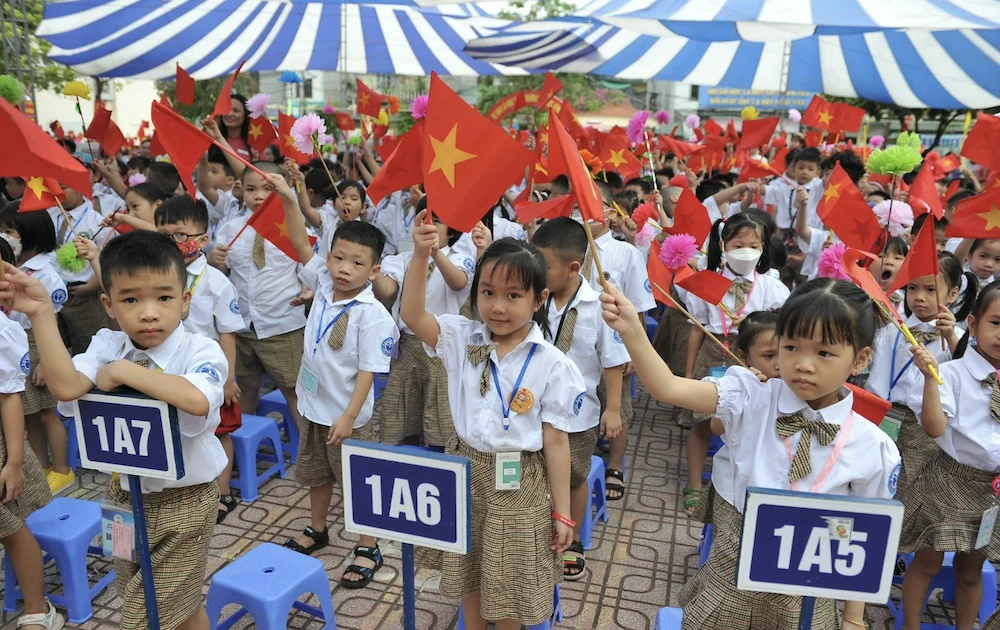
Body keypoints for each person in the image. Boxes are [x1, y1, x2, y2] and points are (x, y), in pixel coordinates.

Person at [599, 277, 901, 629]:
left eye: (824, 353)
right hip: (733, 575)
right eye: (791, 347)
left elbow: (866, 541)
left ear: (860, 359)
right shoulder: (751, 395)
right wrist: (633, 330)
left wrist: (853, 619)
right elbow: (668, 388)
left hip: (809, 594)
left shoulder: (873, 446)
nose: (804, 364)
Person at [0, 230, 229, 630]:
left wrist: (124, 372)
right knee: (164, 596)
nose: (148, 312)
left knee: (145, 611)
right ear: (109, 304)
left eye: (163, 297)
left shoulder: (199, 349)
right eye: (130, 299)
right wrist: (39, 313)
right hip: (121, 498)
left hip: (186, 504)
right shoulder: (108, 343)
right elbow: (66, 386)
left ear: (185, 299)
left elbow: (197, 399)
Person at [401, 232, 584, 629]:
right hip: (464, 468)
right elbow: (413, 315)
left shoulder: (552, 364)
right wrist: (420, 254)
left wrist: (563, 514)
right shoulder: (461, 337)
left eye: (514, 296)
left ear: (539, 300)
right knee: (469, 567)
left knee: (509, 581)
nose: (498, 307)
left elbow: (555, 441)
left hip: (518, 481)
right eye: (488, 292)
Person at [272, 172, 398, 587]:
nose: (345, 269)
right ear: (328, 257)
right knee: (316, 474)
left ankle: (368, 545)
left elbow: (369, 372)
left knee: (359, 483)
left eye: (358, 263)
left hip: (350, 418)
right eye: (339, 258)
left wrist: (348, 416)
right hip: (313, 407)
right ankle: (318, 528)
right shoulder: (323, 285)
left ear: (374, 269)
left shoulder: (372, 314)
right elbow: (295, 240)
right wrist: (290, 198)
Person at [532, 217, 629, 581]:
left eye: (546, 267)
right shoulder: (533, 297)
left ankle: (571, 537)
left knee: (574, 475)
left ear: (574, 268)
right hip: (532, 410)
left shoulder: (599, 304)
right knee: (536, 475)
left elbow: (613, 362)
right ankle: (541, 528)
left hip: (578, 414)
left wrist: (614, 409)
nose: (537, 272)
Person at [904, 282, 1000, 630]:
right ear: (972, 324)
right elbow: (933, 427)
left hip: (990, 491)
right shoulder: (951, 373)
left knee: (971, 570)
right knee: (928, 561)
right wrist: (931, 379)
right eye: (996, 323)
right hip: (949, 479)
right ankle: (910, 625)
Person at [681, 212, 789, 516]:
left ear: (764, 248)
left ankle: (740, 482)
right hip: (714, 354)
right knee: (702, 424)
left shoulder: (771, 286)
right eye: (738, 244)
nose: (746, 251)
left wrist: (756, 323)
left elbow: (783, 325)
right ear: (723, 244)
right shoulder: (707, 282)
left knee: (751, 422)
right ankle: (693, 484)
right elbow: (697, 328)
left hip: (758, 362)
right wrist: (689, 372)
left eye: (754, 246)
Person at [154, 197, 245, 523]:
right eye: (163, 235)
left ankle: (223, 492)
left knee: (220, 431)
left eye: (180, 235)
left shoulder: (216, 281)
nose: (172, 242)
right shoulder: (159, 276)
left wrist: (229, 379)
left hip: (210, 374)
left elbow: (228, 335)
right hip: (171, 371)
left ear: (203, 239)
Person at [374, 198, 484, 449]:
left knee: (440, 412)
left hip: (440, 346)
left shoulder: (459, 258)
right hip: (407, 346)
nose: (430, 226)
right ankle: (404, 453)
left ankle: (439, 455)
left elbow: (458, 282)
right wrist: (372, 272)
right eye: (425, 219)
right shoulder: (402, 258)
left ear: (453, 229)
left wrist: (433, 253)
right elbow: (385, 289)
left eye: (438, 222)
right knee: (402, 409)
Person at [210, 162, 307, 438]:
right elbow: (222, 275)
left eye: (267, 189)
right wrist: (214, 261)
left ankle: (311, 454)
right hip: (242, 325)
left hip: (282, 324)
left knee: (293, 390)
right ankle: (241, 443)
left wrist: (308, 290)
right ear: (240, 191)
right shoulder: (230, 230)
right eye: (251, 189)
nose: (259, 196)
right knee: (246, 385)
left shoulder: (290, 226)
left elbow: (307, 268)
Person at [865, 253, 975, 496]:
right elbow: (877, 375)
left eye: (930, 289)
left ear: (953, 294)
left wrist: (952, 339)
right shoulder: (893, 328)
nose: (919, 297)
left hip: (925, 427)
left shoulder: (957, 336)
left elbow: (968, 377)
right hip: (887, 416)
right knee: (878, 478)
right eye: (912, 288)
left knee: (912, 487)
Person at [0, 237, 64, 630]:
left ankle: (40, 608)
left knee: (11, 528)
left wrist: (14, 461)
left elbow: (9, 397)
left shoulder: (5, 329)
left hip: (2, 447)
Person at [583, 180, 655, 502]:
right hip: (573, 342)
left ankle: (615, 464)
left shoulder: (625, 253)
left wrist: (634, 352)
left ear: (610, 212)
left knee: (618, 409)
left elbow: (638, 308)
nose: (582, 211)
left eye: (591, 203)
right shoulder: (568, 247)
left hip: (613, 344)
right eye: (577, 204)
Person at [0, 204, 73, 493]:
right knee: (29, 412)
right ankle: (42, 466)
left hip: (36, 342)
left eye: (9, 231)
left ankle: (62, 469)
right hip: (19, 344)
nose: (6, 236)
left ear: (30, 233)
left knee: (46, 412)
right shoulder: (12, 265)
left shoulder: (44, 272)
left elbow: (49, 318)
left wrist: (43, 360)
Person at [693, 310, 779, 535]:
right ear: (744, 355)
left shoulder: (797, 386)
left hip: (775, 487)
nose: (779, 364)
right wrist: (747, 392)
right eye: (769, 356)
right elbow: (716, 427)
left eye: (788, 351)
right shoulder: (739, 385)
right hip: (733, 487)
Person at [47, 183, 112, 355]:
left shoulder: (96, 221)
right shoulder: (50, 215)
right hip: (54, 288)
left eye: (64, 187)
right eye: (56, 187)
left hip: (82, 292)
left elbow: (107, 258)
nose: (59, 192)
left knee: (87, 340)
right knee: (57, 340)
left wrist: (91, 286)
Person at [100, 182, 168, 234]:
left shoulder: (173, 230)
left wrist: (124, 218)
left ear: (158, 205)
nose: (130, 214)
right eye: (128, 209)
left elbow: (161, 235)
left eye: (135, 206)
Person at [218, 94, 251, 160]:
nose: (229, 114)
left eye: (236, 110)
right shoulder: (212, 140)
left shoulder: (254, 143)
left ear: (245, 115)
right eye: (227, 109)